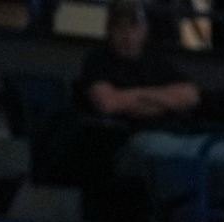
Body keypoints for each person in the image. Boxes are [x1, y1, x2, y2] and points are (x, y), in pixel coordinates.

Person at [76, 0, 202, 182]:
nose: (127, 35)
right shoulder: (98, 61)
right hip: (125, 143)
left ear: (145, 29)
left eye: (134, 26)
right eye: (120, 27)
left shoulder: (157, 61)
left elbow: (191, 95)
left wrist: (137, 97)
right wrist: (165, 100)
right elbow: (109, 103)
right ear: (109, 30)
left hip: (177, 135)